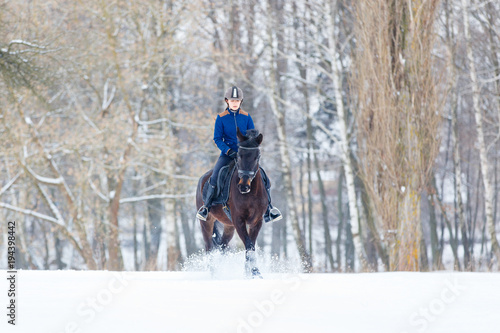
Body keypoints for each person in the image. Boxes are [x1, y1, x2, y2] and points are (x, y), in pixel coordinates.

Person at [196, 86, 282, 223]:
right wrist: (228, 150)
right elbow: (217, 138)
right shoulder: (221, 118)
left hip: (245, 155)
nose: (235, 103)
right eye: (232, 100)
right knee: (216, 175)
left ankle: (269, 209)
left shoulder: (246, 117)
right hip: (227, 154)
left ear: (241, 102)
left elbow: (252, 134)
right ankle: (206, 207)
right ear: (227, 101)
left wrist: (250, 145)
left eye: (237, 100)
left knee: (263, 176)